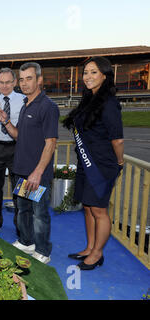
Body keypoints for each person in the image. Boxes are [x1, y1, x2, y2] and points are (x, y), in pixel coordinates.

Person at [62, 57, 124, 270]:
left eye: (93, 72)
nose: (87, 76)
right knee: (87, 208)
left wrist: (120, 162)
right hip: (85, 162)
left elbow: (117, 140)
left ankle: (97, 254)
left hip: (101, 165)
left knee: (99, 211)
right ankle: (89, 247)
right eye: (86, 72)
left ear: (105, 76)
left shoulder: (109, 104)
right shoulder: (89, 99)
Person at [0, 62, 59, 264]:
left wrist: (38, 172)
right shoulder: (26, 105)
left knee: (39, 213)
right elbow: (19, 136)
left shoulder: (48, 106)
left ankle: (42, 250)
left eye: (29, 78)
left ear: (39, 80)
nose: (24, 83)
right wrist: (6, 121)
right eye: (21, 79)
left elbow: (51, 143)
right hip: (21, 171)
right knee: (23, 210)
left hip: (36, 174)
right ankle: (27, 241)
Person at [0, 68, 25, 229]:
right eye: (1, 82)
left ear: (14, 82)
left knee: (19, 188)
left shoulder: (24, 100)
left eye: (8, 82)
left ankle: (20, 222)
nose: (4, 85)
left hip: (17, 147)